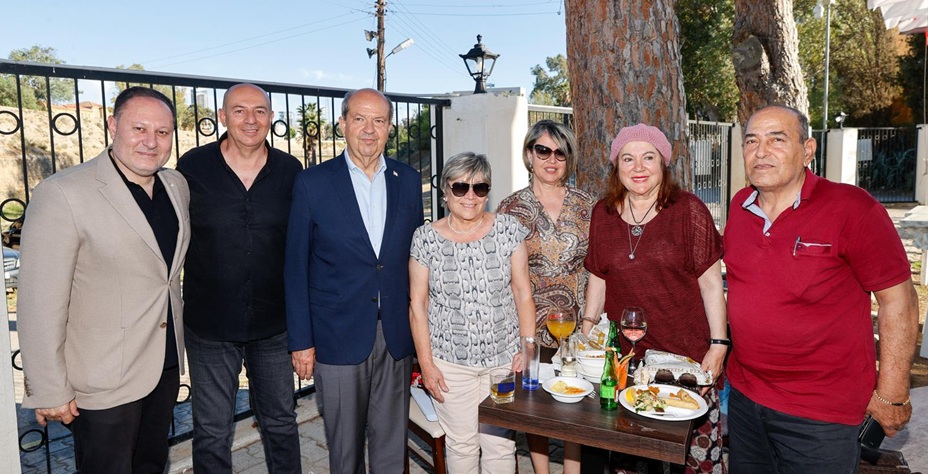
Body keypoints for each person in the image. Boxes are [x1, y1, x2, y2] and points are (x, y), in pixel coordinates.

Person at [724, 104, 918, 473]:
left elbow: (900, 301)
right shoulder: (739, 207)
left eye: (776, 140)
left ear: (808, 150)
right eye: (751, 141)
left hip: (821, 414)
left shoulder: (852, 208)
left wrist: (893, 393)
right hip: (746, 399)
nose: (760, 151)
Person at [17, 86, 190, 473]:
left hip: (162, 368)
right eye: (139, 128)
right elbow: (39, 302)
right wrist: (49, 388)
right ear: (113, 126)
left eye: (162, 132)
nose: (151, 141)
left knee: (151, 465)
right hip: (102, 379)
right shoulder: (63, 193)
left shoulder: (175, 185)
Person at [284, 88, 423, 473]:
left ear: (390, 128)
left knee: (392, 443)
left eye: (379, 121)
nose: (369, 129)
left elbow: (416, 259)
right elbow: (295, 266)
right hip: (337, 334)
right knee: (344, 449)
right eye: (359, 119)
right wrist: (301, 341)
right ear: (343, 124)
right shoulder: (312, 183)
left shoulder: (408, 180)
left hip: (395, 335)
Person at [581, 124, 728, 474]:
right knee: (631, 455)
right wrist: (586, 328)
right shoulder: (603, 214)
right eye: (627, 159)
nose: (638, 167)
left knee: (695, 458)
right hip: (628, 360)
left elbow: (711, 284)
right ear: (616, 167)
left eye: (648, 157)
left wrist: (719, 344)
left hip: (686, 358)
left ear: (663, 163)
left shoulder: (688, 210)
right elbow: (598, 276)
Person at [176, 83, 303, 473]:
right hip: (210, 327)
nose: (251, 120)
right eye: (239, 110)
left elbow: (303, 244)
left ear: (271, 117)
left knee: (280, 422)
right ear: (222, 117)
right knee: (212, 431)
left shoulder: (290, 170)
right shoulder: (192, 167)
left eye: (260, 111)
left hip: (274, 325)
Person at [410, 152, 536, 473]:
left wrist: (527, 347)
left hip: (503, 362)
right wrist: (427, 364)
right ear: (445, 190)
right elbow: (418, 306)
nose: (470, 196)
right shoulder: (426, 239)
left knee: (501, 445)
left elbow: (523, 292)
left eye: (480, 188)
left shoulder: (508, 229)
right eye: (460, 187)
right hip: (450, 365)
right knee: (463, 445)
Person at [497, 120, 594, 474]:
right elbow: (504, 274)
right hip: (529, 324)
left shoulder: (588, 205)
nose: (552, 160)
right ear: (529, 154)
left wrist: (589, 325)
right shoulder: (510, 208)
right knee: (534, 404)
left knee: (575, 400)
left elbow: (599, 267)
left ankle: (572, 470)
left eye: (560, 153)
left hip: (578, 325)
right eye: (543, 150)